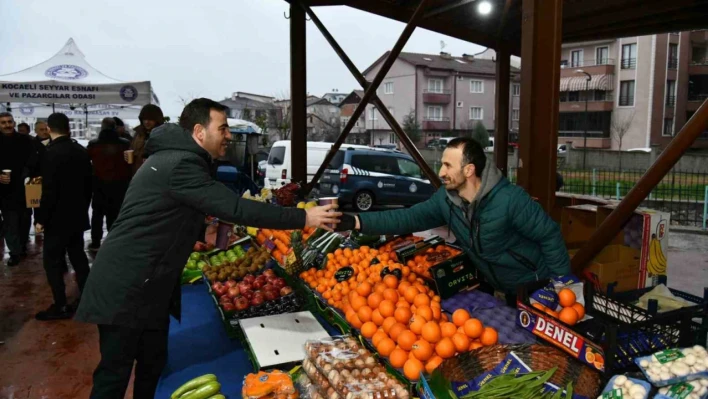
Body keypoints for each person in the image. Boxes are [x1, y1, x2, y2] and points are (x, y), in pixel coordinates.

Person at [75, 98, 341, 399]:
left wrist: (202, 230)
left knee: (152, 364)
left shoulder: (171, 159)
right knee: (114, 375)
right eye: (223, 128)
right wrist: (304, 216)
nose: (228, 135)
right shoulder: (180, 163)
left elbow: (161, 212)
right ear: (200, 132)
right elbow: (236, 208)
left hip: (147, 285)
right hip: (126, 285)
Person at [337, 137, 570, 304]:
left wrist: (561, 284)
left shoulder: (511, 200)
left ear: (469, 170)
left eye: (448, 165)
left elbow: (549, 235)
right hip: (499, 289)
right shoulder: (446, 200)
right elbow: (407, 217)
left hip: (536, 287)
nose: (440, 172)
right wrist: (355, 221)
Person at [34, 113, 92, 320]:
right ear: (68, 128)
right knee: (78, 256)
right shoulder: (81, 151)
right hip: (76, 215)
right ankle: (86, 298)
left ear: (49, 129)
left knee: (52, 261)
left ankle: (60, 305)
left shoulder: (49, 154)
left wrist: (40, 218)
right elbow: (88, 186)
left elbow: (47, 191)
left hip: (56, 219)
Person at [86, 118, 132, 250]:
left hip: (99, 184)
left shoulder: (93, 145)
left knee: (97, 214)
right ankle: (113, 242)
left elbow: (87, 162)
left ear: (102, 127)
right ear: (115, 127)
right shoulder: (124, 144)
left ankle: (95, 241)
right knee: (115, 214)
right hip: (119, 185)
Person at [0, 112, 38, 266]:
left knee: (24, 219)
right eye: (3, 122)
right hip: (4, 191)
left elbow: (35, 161)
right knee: (10, 222)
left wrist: (28, 175)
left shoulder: (26, 140)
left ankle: (21, 246)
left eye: (9, 121)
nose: (7, 125)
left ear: (14, 123)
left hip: (25, 188)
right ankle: (14, 252)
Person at [128, 104, 164, 175]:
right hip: (137, 174)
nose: (147, 122)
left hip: (155, 175)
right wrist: (128, 155)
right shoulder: (138, 134)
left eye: (150, 119)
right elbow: (132, 149)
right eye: (144, 119)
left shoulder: (163, 134)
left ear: (157, 120)